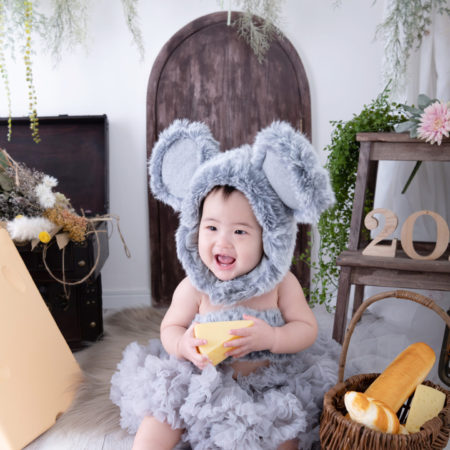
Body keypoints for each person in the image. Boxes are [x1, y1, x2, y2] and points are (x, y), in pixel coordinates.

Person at [111, 120, 339, 449]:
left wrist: (274, 337)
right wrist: (183, 345)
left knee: (285, 427)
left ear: (268, 238)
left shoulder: (280, 284)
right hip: (202, 380)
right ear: (195, 228)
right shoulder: (195, 286)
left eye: (240, 231)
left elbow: (306, 328)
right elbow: (170, 327)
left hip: (269, 385)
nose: (223, 242)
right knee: (163, 410)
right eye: (211, 228)